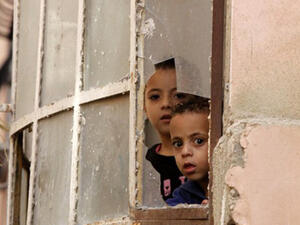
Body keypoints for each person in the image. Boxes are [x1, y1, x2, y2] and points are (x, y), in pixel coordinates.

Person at [144, 58, 195, 201]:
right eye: (155, 97)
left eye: (178, 95)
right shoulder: (144, 164)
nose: (166, 104)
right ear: (144, 107)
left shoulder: (204, 157)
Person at [166, 99, 209, 206]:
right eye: (178, 144)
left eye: (198, 141)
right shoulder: (182, 197)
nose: (185, 152)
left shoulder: (237, 190)